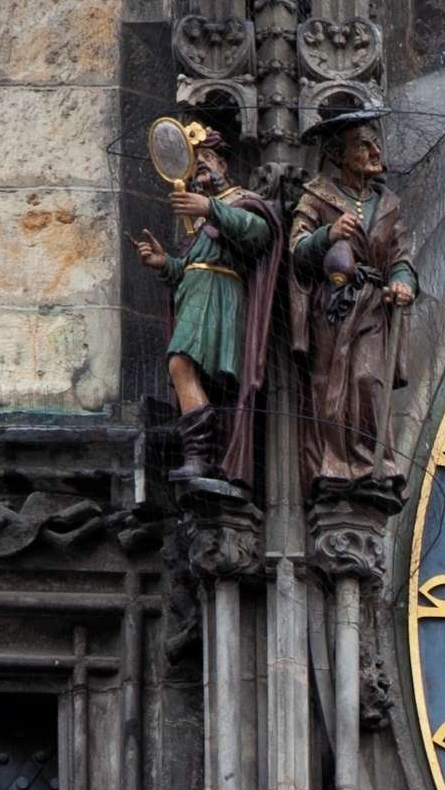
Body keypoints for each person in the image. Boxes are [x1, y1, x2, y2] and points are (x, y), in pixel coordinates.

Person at [133, 122, 273, 497]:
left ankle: (201, 453)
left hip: (220, 299)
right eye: (196, 163)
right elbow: (189, 268)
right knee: (191, 372)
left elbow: (258, 234)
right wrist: (164, 263)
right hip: (196, 295)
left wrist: (210, 208)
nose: (201, 167)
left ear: (224, 165)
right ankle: (204, 455)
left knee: (180, 363)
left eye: (208, 159)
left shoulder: (241, 201)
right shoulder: (198, 222)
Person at [290, 107, 420, 490]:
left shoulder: (389, 206)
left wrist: (402, 282)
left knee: (367, 380)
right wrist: (327, 235)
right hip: (334, 305)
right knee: (330, 384)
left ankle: (371, 463)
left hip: (373, 308)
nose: (376, 152)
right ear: (337, 155)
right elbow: (297, 249)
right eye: (364, 146)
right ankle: (332, 463)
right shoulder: (317, 197)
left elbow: (402, 259)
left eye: (376, 143)